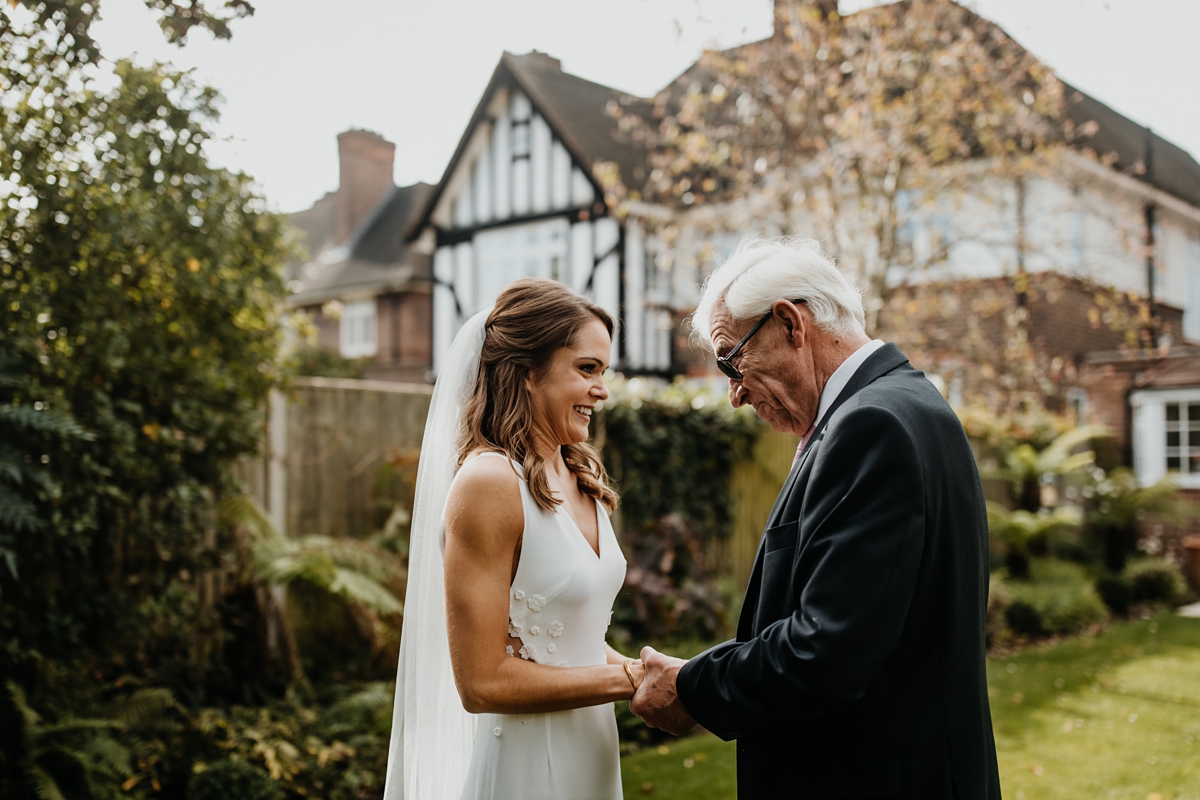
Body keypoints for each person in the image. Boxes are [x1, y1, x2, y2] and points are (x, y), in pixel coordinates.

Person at [630, 238, 1001, 800]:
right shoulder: (909, 404)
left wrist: (693, 688)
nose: (733, 394)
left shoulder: (870, 426)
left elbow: (825, 653)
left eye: (732, 361)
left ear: (789, 322)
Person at [383, 278, 644, 800]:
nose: (602, 389)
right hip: (527, 767)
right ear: (528, 373)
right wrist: (633, 682)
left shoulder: (577, 474)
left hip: (590, 753)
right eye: (586, 369)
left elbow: (569, 638)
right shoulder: (489, 484)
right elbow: (482, 683)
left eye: (603, 372)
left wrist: (661, 673)